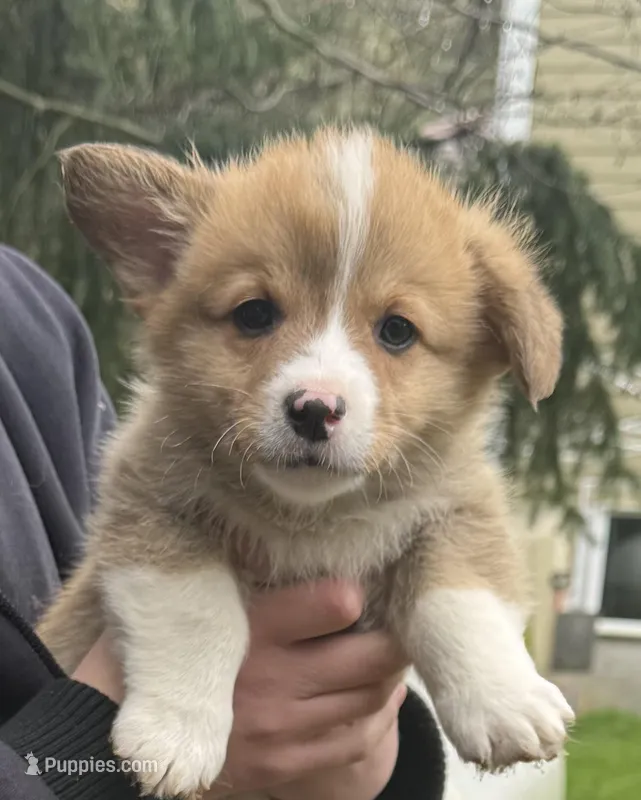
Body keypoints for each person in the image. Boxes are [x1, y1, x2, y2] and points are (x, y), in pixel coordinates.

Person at [0, 244, 446, 800]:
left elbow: (119, 523)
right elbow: (146, 518)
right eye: (256, 315)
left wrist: (373, 750)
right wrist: (89, 760)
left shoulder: (29, 314)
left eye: (396, 331)